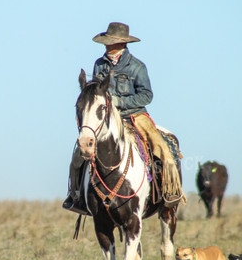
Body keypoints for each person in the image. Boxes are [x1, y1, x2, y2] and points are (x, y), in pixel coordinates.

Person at [63, 21, 184, 212]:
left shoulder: (137, 67)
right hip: (106, 119)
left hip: (134, 116)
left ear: (121, 43)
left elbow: (147, 95)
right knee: (79, 152)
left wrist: (119, 102)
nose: (106, 45)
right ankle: (76, 195)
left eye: (110, 42)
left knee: (162, 148)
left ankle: (168, 192)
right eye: (106, 41)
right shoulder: (99, 64)